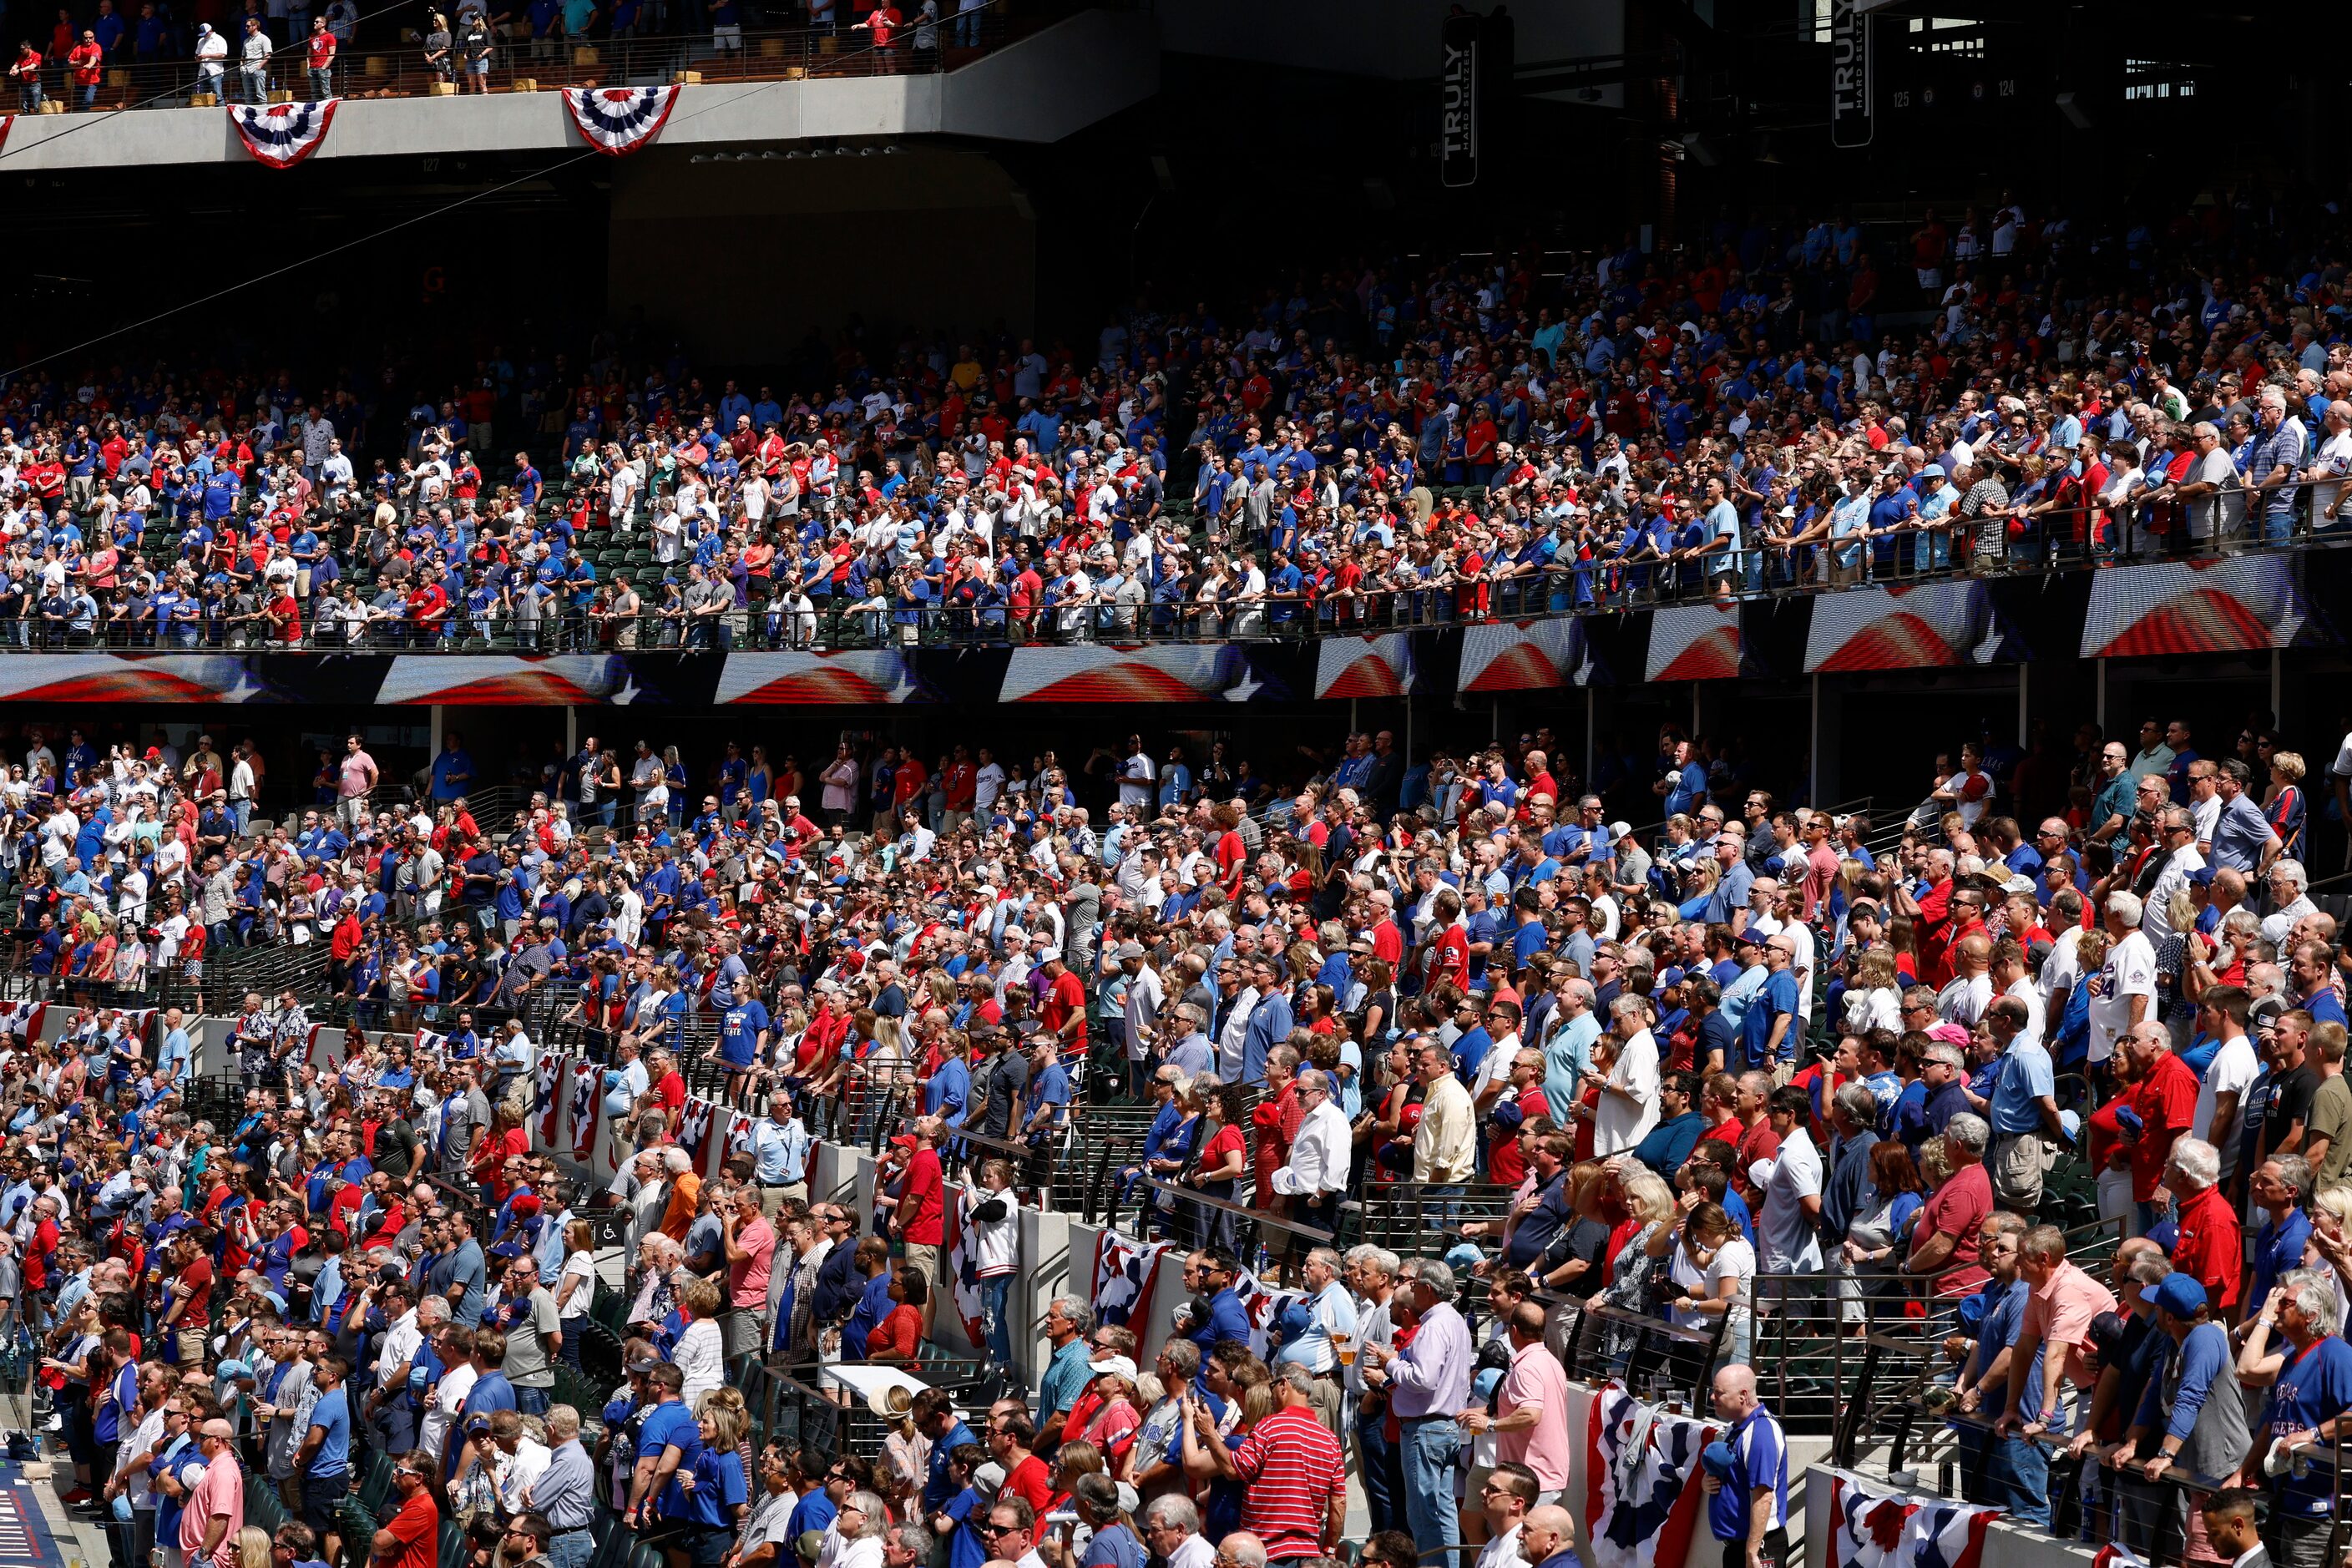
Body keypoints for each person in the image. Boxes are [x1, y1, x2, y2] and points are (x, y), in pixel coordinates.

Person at [1701, 1366, 1788, 1568]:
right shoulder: (1736, 1428)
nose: (1713, 1397)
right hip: (1736, 1547)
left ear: (1743, 1396)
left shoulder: (1761, 1433)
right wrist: (1708, 1482)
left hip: (1759, 1547)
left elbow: (1764, 1496)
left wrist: (1752, 1551)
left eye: (1719, 1392)